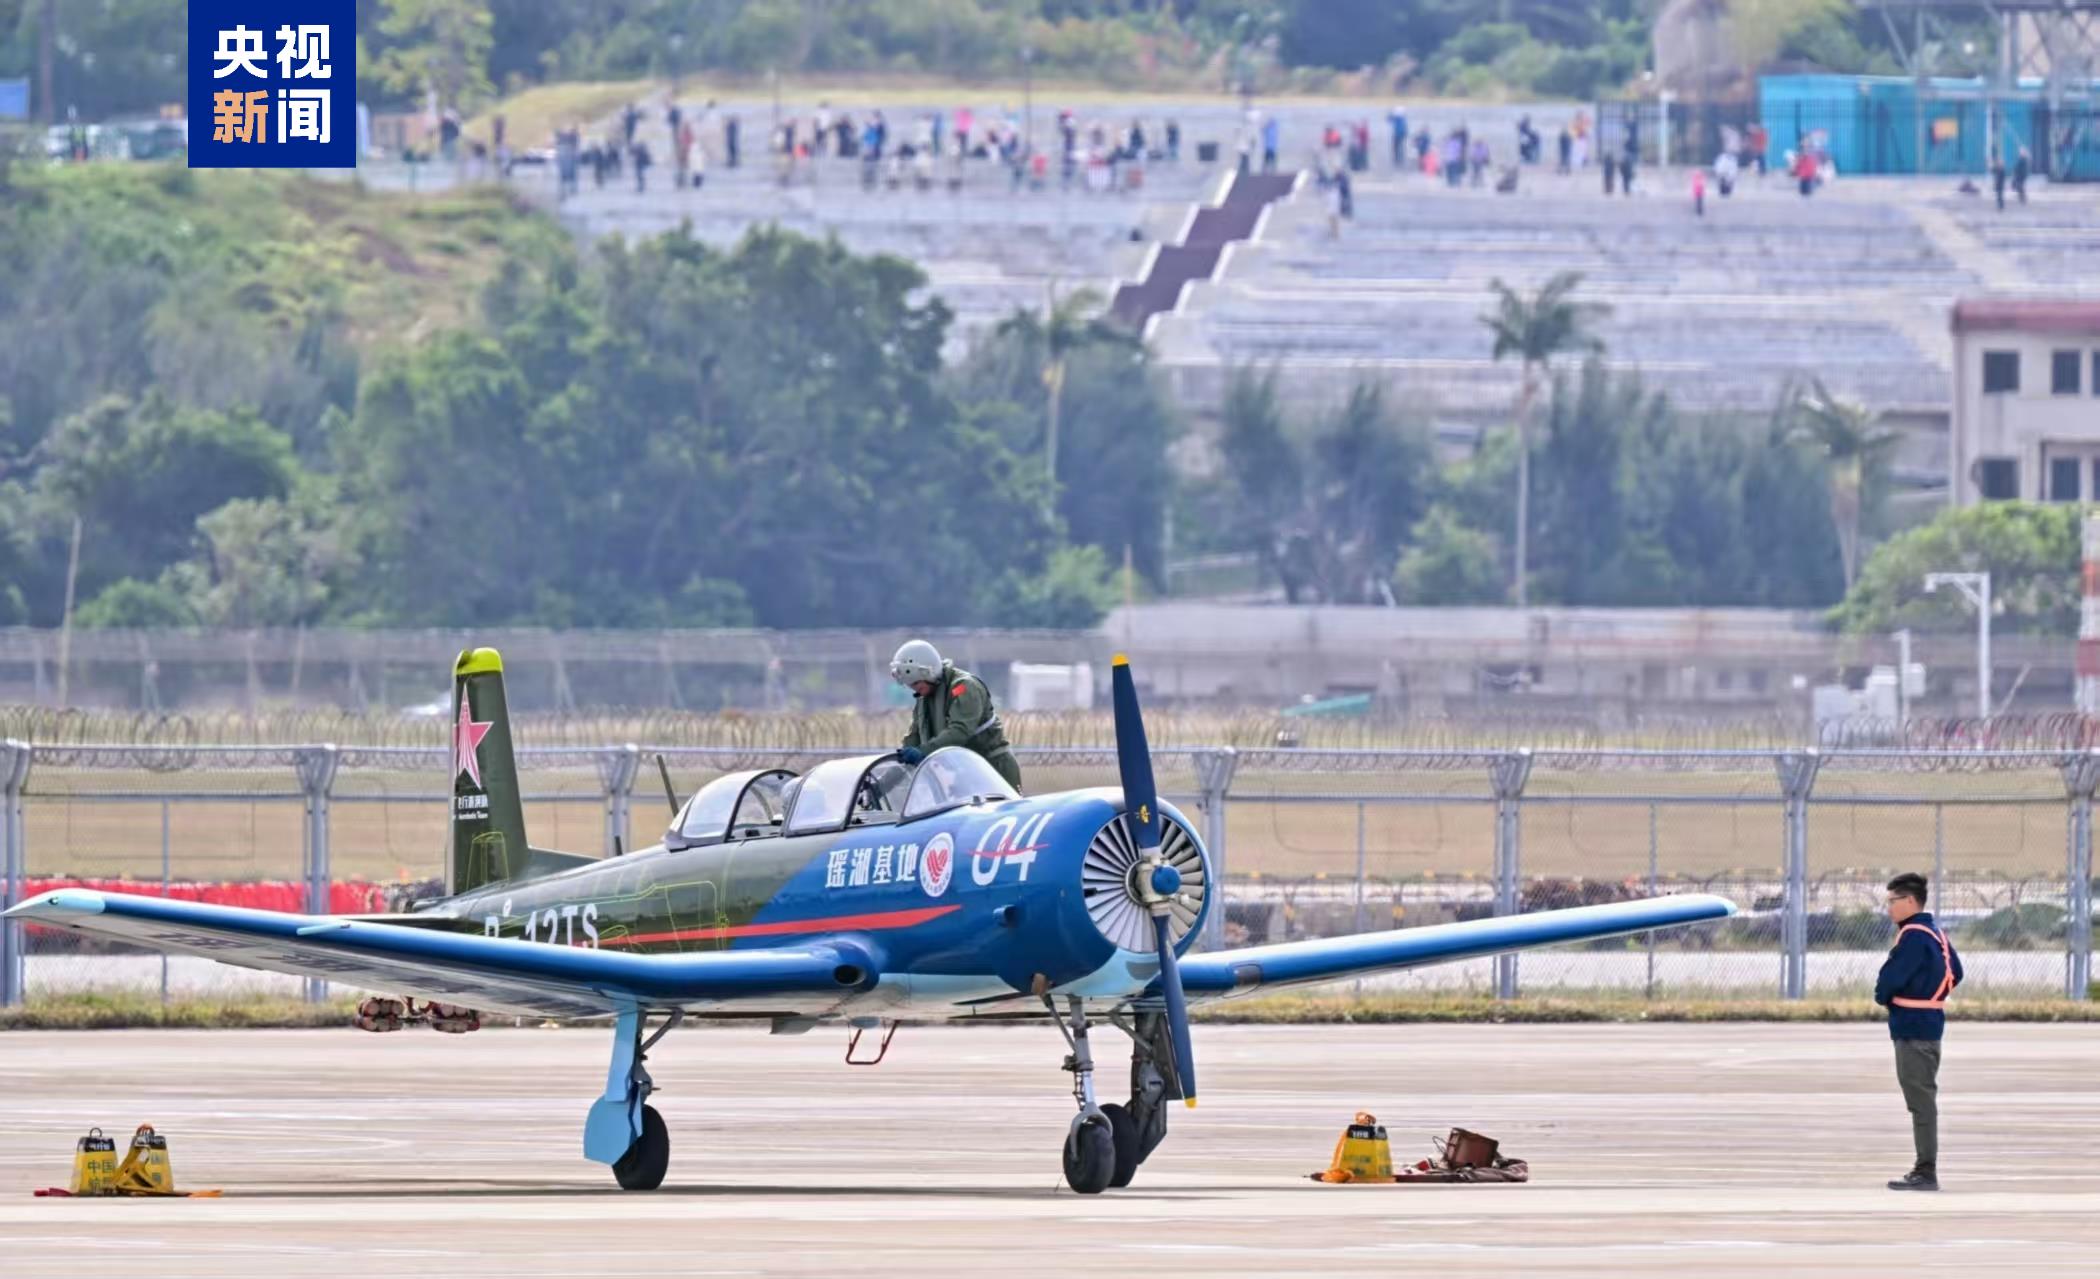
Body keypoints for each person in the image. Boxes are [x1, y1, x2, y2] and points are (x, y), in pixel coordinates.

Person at [1875, 873, 1963, 1191]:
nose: (1889, 909)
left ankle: (1926, 1170)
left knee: (1920, 1100)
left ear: (1910, 901)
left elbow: (1889, 980)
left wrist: (1886, 996)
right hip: (1928, 1024)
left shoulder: (1913, 936)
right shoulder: (1934, 932)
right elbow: (1957, 970)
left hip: (1913, 1027)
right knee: (1921, 1097)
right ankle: (1924, 1167)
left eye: (1892, 902)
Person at [890, 640, 1021, 790]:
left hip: (994, 770)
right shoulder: (924, 698)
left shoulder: (964, 687)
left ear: (928, 673)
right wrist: (884, 782)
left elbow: (959, 731)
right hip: (966, 774)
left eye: (915, 684)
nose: (914, 689)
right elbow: (913, 739)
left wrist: (923, 752)